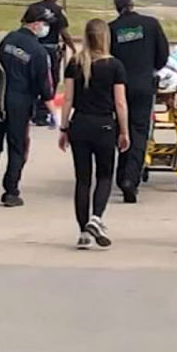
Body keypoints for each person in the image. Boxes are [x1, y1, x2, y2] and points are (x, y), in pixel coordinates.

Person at [58, 19, 130, 250]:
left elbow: (67, 98)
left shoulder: (74, 63)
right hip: (104, 125)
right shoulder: (115, 66)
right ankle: (96, 218)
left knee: (83, 179)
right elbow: (120, 103)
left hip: (80, 123)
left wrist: (64, 127)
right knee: (105, 175)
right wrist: (124, 131)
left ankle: (83, 232)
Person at [0, 5, 57, 207]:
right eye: (45, 24)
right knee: (18, 148)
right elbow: (45, 87)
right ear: (36, 24)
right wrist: (54, 113)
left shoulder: (2, 39)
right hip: (21, 105)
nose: (46, 29)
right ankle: (11, 191)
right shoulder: (38, 52)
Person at [108, 0, 170, 203]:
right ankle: (130, 179)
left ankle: (121, 172)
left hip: (119, 86)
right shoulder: (151, 24)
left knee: (122, 129)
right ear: (132, 4)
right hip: (144, 84)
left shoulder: (112, 29)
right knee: (140, 132)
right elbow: (163, 56)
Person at [25, 0, 73, 127]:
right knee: (50, 80)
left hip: (33, 48)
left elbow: (24, 26)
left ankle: (30, 110)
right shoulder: (58, 11)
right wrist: (72, 48)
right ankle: (41, 113)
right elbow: (64, 32)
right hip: (50, 50)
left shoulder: (33, 8)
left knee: (31, 79)